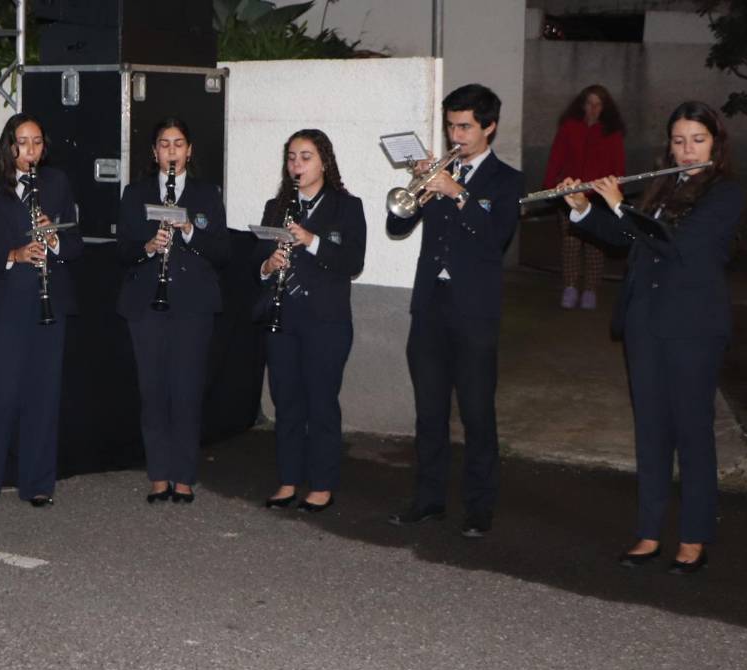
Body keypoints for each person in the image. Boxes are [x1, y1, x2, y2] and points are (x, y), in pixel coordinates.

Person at [557, 101, 741, 574]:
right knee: (652, 430)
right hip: (646, 323)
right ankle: (649, 530)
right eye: (679, 141)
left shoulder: (725, 193)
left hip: (693, 328)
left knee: (692, 432)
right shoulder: (663, 184)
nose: (686, 150)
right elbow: (627, 239)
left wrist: (618, 203)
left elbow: (675, 244)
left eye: (697, 140)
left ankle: (695, 537)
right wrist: (583, 210)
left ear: (715, 144)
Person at [386, 83, 524, 538]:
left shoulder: (508, 181)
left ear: (489, 127)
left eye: (464, 126)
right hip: (430, 306)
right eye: (450, 126)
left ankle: (480, 507)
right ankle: (428, 500)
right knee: (429, 412)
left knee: (477, 412)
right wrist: (420, 185)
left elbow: (495, 239)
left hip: (474, 312)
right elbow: (396, 223)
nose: (455, 136)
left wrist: (458, 194)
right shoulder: (439, 172)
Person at [0, 114, 83, 508]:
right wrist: (12, 254)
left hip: (50, 301)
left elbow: (76, 243)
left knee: (42, 395)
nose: (30, 151)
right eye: (22, 143)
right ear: (8, 145)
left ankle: (38, 483)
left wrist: (54, 240)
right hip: (4, 301)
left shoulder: (57, 183)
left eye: (36, 143)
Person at [116, 117, 230, 505]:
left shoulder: (206, 194)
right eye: (164, 145)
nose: (171, 152)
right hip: (147, 302)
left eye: (178, 144)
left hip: (192, 305)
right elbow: (122, 249)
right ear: (154, 152)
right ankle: (158, 474)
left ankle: (184, 475)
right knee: (153, 392)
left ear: (189, 150)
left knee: (186, 391)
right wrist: (148, 246)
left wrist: (188, 233)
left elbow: (222, 251)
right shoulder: (135, 193)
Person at [256, 129, 366, 513]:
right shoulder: (276, 206)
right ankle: (288, 479)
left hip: (326, 321)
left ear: (324, 162)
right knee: (286, 402)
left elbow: (353, 263)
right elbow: (259, 260)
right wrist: (269, 265)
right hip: (283, 316)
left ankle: (321, 483)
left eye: (305, 157)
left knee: (321, 402)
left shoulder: (346, 207)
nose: (296, 165)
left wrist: (312, 240)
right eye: (291, 157)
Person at [542, 84, 626, 310]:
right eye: (589, 103)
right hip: (570, 193)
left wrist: (616, 195)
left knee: (595, 247)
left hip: (599, 196)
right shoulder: (569, 128)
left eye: (598, 104)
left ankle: (590, 291)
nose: (593, 108)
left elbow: (618, 167)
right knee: (570, 243)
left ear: (605, 107)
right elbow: (555, 158)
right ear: (582, 105)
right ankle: (569, 288)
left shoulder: (612, 133)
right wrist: (550, 186)